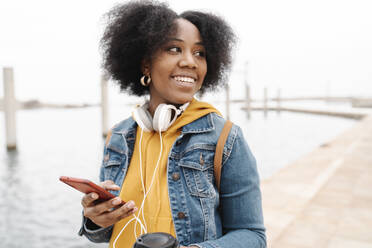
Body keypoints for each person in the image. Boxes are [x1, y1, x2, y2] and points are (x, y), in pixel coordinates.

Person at [79, 1, 266, 247]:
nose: (190, 61)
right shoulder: (118, 136)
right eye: (174, 49)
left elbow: (252, 236)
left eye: (199, 53)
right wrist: (94, 220)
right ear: (146, 63)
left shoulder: (225, 137)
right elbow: (101, 234)